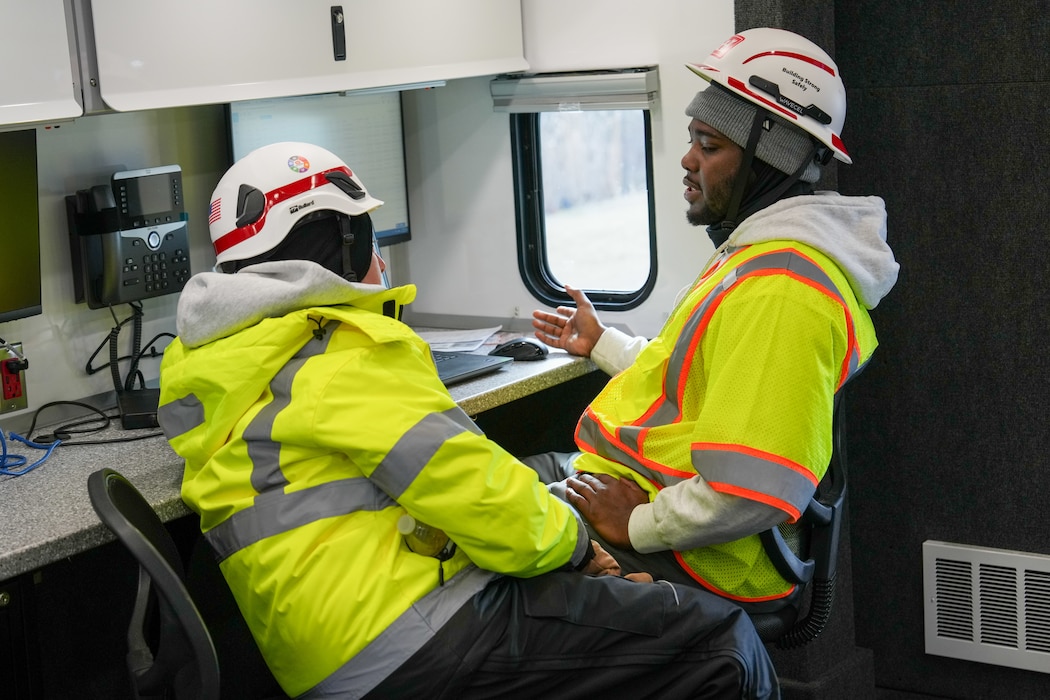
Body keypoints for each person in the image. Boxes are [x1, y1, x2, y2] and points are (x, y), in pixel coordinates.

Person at [157, 141, 779, 698]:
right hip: (411, 636)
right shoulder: (342, 353)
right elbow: (473, 492)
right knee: (721, 643)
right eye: (364, 234)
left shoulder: (222, 361)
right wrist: (581, 547)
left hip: (326, 643)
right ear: (343, 244)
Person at [531, 28, 899, 613]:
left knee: (473, 555)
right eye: (692, 139)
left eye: (709, 144)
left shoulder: (781, 290)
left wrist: (640, 524)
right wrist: (603, 343)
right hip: (658, 498)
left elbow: (752, 490)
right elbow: (693, 372)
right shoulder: (757, 255)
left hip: (707, 553)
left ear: (765, 159)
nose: (687, 159)